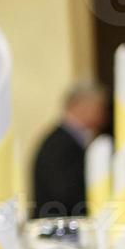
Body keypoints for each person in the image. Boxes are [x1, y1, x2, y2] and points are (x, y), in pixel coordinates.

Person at [31, 83, 108, 219]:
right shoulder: (59, 144)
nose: (103, 115)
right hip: (59, 227)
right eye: (99, 108)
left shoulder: (72, 139)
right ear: (82, 106)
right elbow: (64, 192)